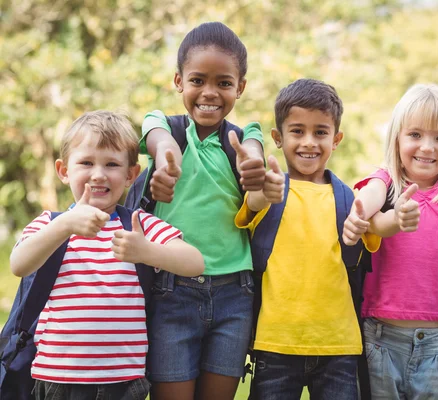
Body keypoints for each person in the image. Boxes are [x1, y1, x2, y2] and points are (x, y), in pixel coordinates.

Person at [9, 110, 204, 400]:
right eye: (86, 162)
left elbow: (195, 262)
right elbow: (18, 264)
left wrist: (148, 251)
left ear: (130, 175)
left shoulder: (138, 224)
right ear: (64, 171)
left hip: (123, 382)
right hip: (58, 378)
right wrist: (64, 225)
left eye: (111, 164)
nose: (99, 174)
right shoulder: (51, 223)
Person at [139, 22, 267, 400]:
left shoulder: (243, 139)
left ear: (240, 88)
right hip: (172, 292)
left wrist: (253, 166)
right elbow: (153, 134)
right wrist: (165, 158)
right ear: (178, 81)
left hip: (235, 296)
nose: (209, 93)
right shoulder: (167, 129)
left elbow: (255, 152)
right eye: (197, 80)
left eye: (224, 83)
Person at [342, 83, 438, 399]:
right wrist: (359, 216)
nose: (427, 147)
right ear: (397, 138)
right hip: (380, 340)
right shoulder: (386, 182)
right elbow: (368, 196)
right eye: (415, 135)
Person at [235, 78, 366, 400]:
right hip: (275, 343)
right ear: (278, 138)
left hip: (339, 344)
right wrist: (264, 193)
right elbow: (252, 206)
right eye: (297, 131)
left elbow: (372, 235)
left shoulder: (348, 198)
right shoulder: (269, 189)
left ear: (336, 139)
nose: (309, 142)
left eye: (320, 132)